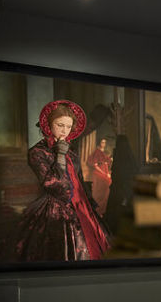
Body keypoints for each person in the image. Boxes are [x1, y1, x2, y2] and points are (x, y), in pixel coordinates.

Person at [8, 100, 110, 261]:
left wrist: (89, 204)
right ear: (49, 125)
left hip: (82, 205)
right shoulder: (37, 152)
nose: (64, 131)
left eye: (68, 127)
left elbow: (79, 180)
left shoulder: (71, 151)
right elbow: (54, 185)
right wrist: (60, 155)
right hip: (57, 207)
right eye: (60, 125)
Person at [86, 136, 113, 212]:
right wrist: (104, 173)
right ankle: (99, 208)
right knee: (106, 183)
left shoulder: (104, 152)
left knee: (109, 184)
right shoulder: (97, 152)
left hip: (105, 171)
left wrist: (107, 171)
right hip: (99, 173)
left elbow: (107, 162)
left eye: (105, 142)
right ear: (99, 143)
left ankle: (104, 208)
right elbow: (95, 166)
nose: (104, 144)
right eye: (102, 142)